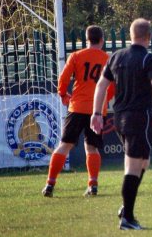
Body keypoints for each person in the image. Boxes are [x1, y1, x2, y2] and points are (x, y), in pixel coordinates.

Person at [91, 18, 152, 230]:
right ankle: (128, 219)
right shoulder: (148, 59)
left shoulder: (116, 56)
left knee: (143, 162)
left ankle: (126, 207)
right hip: (138, 117)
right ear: (149, 37)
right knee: (133, 167)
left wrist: (97, 113)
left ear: (130, 35)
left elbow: (101, 86)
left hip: (120, 117)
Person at [42, 25, 114, 198]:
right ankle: (93, 185)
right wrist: (104, 101)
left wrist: (62, 93)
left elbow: (64, 77)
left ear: (87, 40)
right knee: (92, 147)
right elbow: (113, 86)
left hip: (77, 107)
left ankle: (50, 184)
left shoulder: (76, 56)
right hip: (97, 110)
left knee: (65, 145)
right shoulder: (108, 59)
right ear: (102, 40)